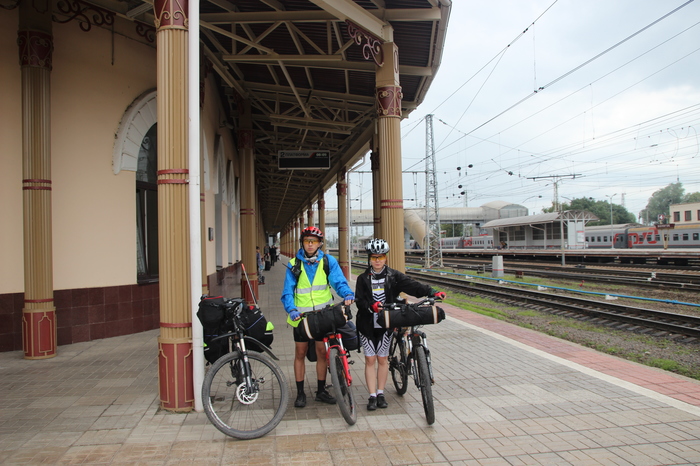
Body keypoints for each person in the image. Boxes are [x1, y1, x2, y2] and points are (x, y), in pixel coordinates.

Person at [354, 239, 446, 411]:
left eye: (380, 257)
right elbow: (359, 302)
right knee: (369, 359)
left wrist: (432, 291)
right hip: (366, 324)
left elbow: (413, 286)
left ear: (385, 258)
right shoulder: (362, 279)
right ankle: (371, 395)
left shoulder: (393, 276)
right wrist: (370, 306)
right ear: (369, 258)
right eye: (374, 257)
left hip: (387, 323)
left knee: (382, 359)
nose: (377, 261)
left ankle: (380, 393)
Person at [281, 226, 355, 408]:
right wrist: (291, 309)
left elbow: (338, 281)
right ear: (303, 243)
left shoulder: (328, 261)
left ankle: (321, 390)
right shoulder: (294, 264)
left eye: (314, 241)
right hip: (301, 317)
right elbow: (287, 292)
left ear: (320, 243)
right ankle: (300, 393)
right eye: (307, 241)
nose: (310, 244)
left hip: (323, 316)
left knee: (322, 352)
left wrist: (347, 294)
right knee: (300, 353)